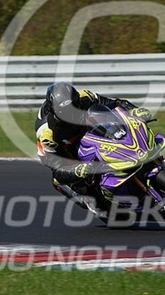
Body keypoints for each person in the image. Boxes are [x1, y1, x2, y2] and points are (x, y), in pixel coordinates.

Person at [34, 82, 152, 212]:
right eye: (66, 112)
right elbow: (56, 167)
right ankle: (95, 203)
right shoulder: (47, 134)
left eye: (74, 108)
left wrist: (133, 110)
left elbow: (114, 104)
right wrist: (76, 170)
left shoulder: (85, 96)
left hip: (86, 128)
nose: (71, 115)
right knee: (72, 180)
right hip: (64, 148)